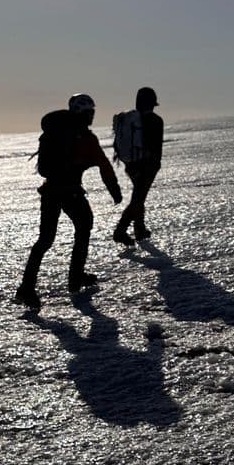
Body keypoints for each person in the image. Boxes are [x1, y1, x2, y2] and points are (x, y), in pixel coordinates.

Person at [15, 93, 123, 310]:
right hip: (70, 191)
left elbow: (45, 168)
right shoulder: (85, 138)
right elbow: (104, 164)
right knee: (83, 227)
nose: (92, 116)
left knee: (45, 239)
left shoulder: (54, 134)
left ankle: (27, 288)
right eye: (90, 112)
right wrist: (114, 190)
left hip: (51, 191)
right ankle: (74, 278)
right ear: (82, 113)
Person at [113, 86, 163, 245]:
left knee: (138, 196)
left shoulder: (130, 120)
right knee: (138, 198)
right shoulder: (155, 120)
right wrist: (155, 165)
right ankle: (120, 230)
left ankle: (139, 228)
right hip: (147, 166)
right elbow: (156, 147)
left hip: (131, 164)